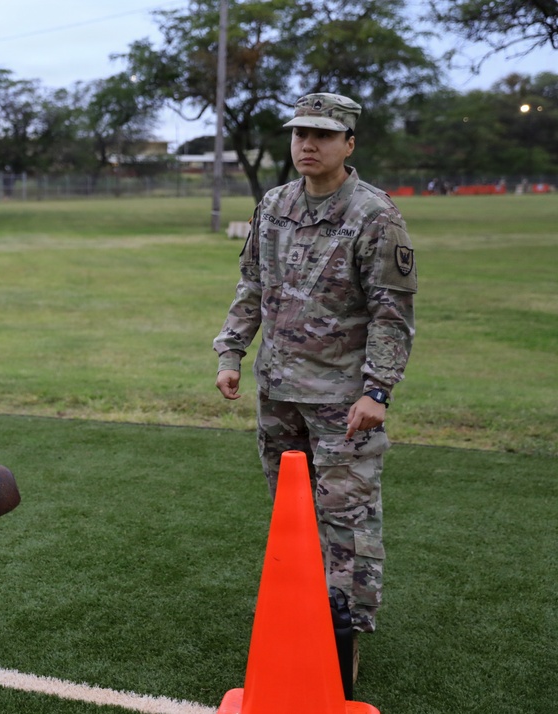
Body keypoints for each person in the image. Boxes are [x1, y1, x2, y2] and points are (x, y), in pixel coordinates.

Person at [212, 93, 417, 681]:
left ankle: (345, 628)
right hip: (278, 391)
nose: (307, 144)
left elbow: (391, 314)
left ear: (349, 144)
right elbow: (252, 284)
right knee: (292, 510)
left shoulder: (375, 216)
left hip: (341, 398)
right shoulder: (273, 204)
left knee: (346, 514)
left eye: (323, 136)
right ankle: (297, 608)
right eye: (300, 133)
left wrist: (377, 391)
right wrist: (231, 350)